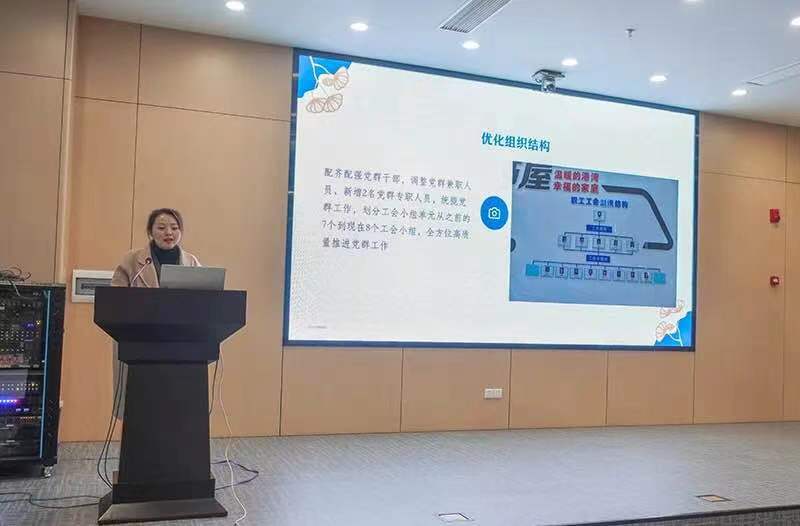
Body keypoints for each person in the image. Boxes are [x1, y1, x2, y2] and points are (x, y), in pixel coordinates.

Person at [109, 208, 201, 417]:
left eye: (174, 228)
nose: (169, 232)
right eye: (161, 227)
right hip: (138, 341)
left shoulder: (192, 262)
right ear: (150, 232)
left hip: (180, 343)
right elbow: (115, 300)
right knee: (140, 408)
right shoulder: (131, 260)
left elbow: (203, 300)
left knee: (175, 410)